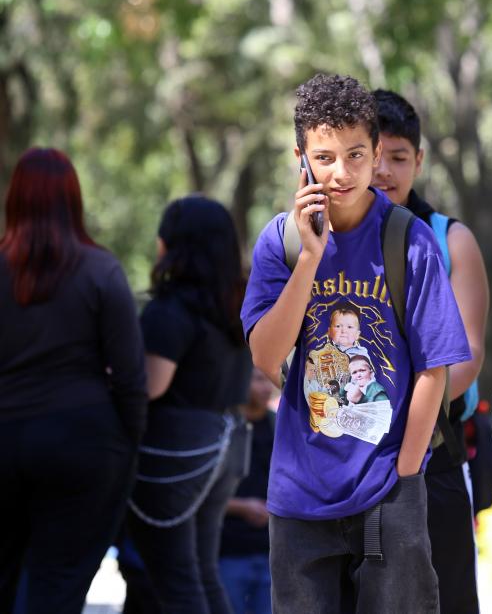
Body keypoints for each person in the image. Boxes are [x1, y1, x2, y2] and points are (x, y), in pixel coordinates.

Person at [241, 74, 470, 614]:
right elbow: (267, 357)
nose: (341, 172)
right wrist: (311, 258)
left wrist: (406, 473)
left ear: (374, 155)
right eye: (324, 157)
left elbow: (433, 369)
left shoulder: (410, 238)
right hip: (301, 493)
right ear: (301, 158)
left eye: (356, 154)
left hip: (389, 487)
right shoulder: (281, 241)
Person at [0, 147, 146, 613]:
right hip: (83, 443)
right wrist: (127, 443)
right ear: (73, 200)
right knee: (58, 586)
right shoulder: (100, 270)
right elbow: (130, 376)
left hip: (4, 439)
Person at [372, 89, 489, 614]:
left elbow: (468, 354)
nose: (383, 171)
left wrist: (408, 419)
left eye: (398, 157)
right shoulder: (317, 240)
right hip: (345, 455)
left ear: (418, 161)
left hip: (435, 454)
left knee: (444, 598)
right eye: (370, 155)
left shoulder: (449, 240)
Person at [127, 195, 253, 614]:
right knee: (202, 571)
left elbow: (151, 385)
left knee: (176, 579)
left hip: (179, 452)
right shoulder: (232, 310)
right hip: (229, 444)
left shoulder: (171, 309)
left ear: (175, 244)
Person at [219, 368, 278, 614]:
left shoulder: (278, 425)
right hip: (227, 550)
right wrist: (240, 507)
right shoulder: (224, 426)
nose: (265, 387)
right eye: (257, 379)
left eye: (268, 380)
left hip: (271, 551)